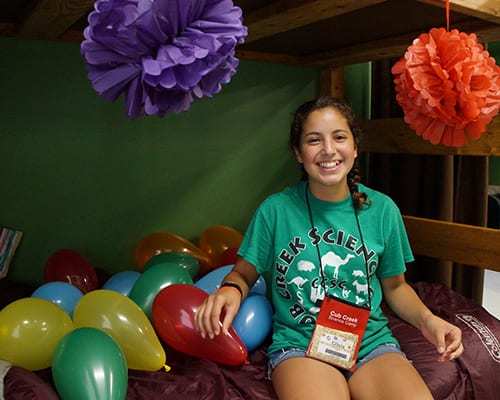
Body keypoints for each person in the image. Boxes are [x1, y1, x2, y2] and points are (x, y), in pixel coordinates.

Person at [194, 96, 463, 400]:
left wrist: (429, 322)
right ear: (298, 153)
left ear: (355, 147)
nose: (329, 150)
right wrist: (230, 289)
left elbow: (396, 287)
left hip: (371, 343)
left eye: (339, 137)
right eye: (313, 140)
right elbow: (243, 274)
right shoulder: (276, 210)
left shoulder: (383, 210)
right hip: (301, 346)